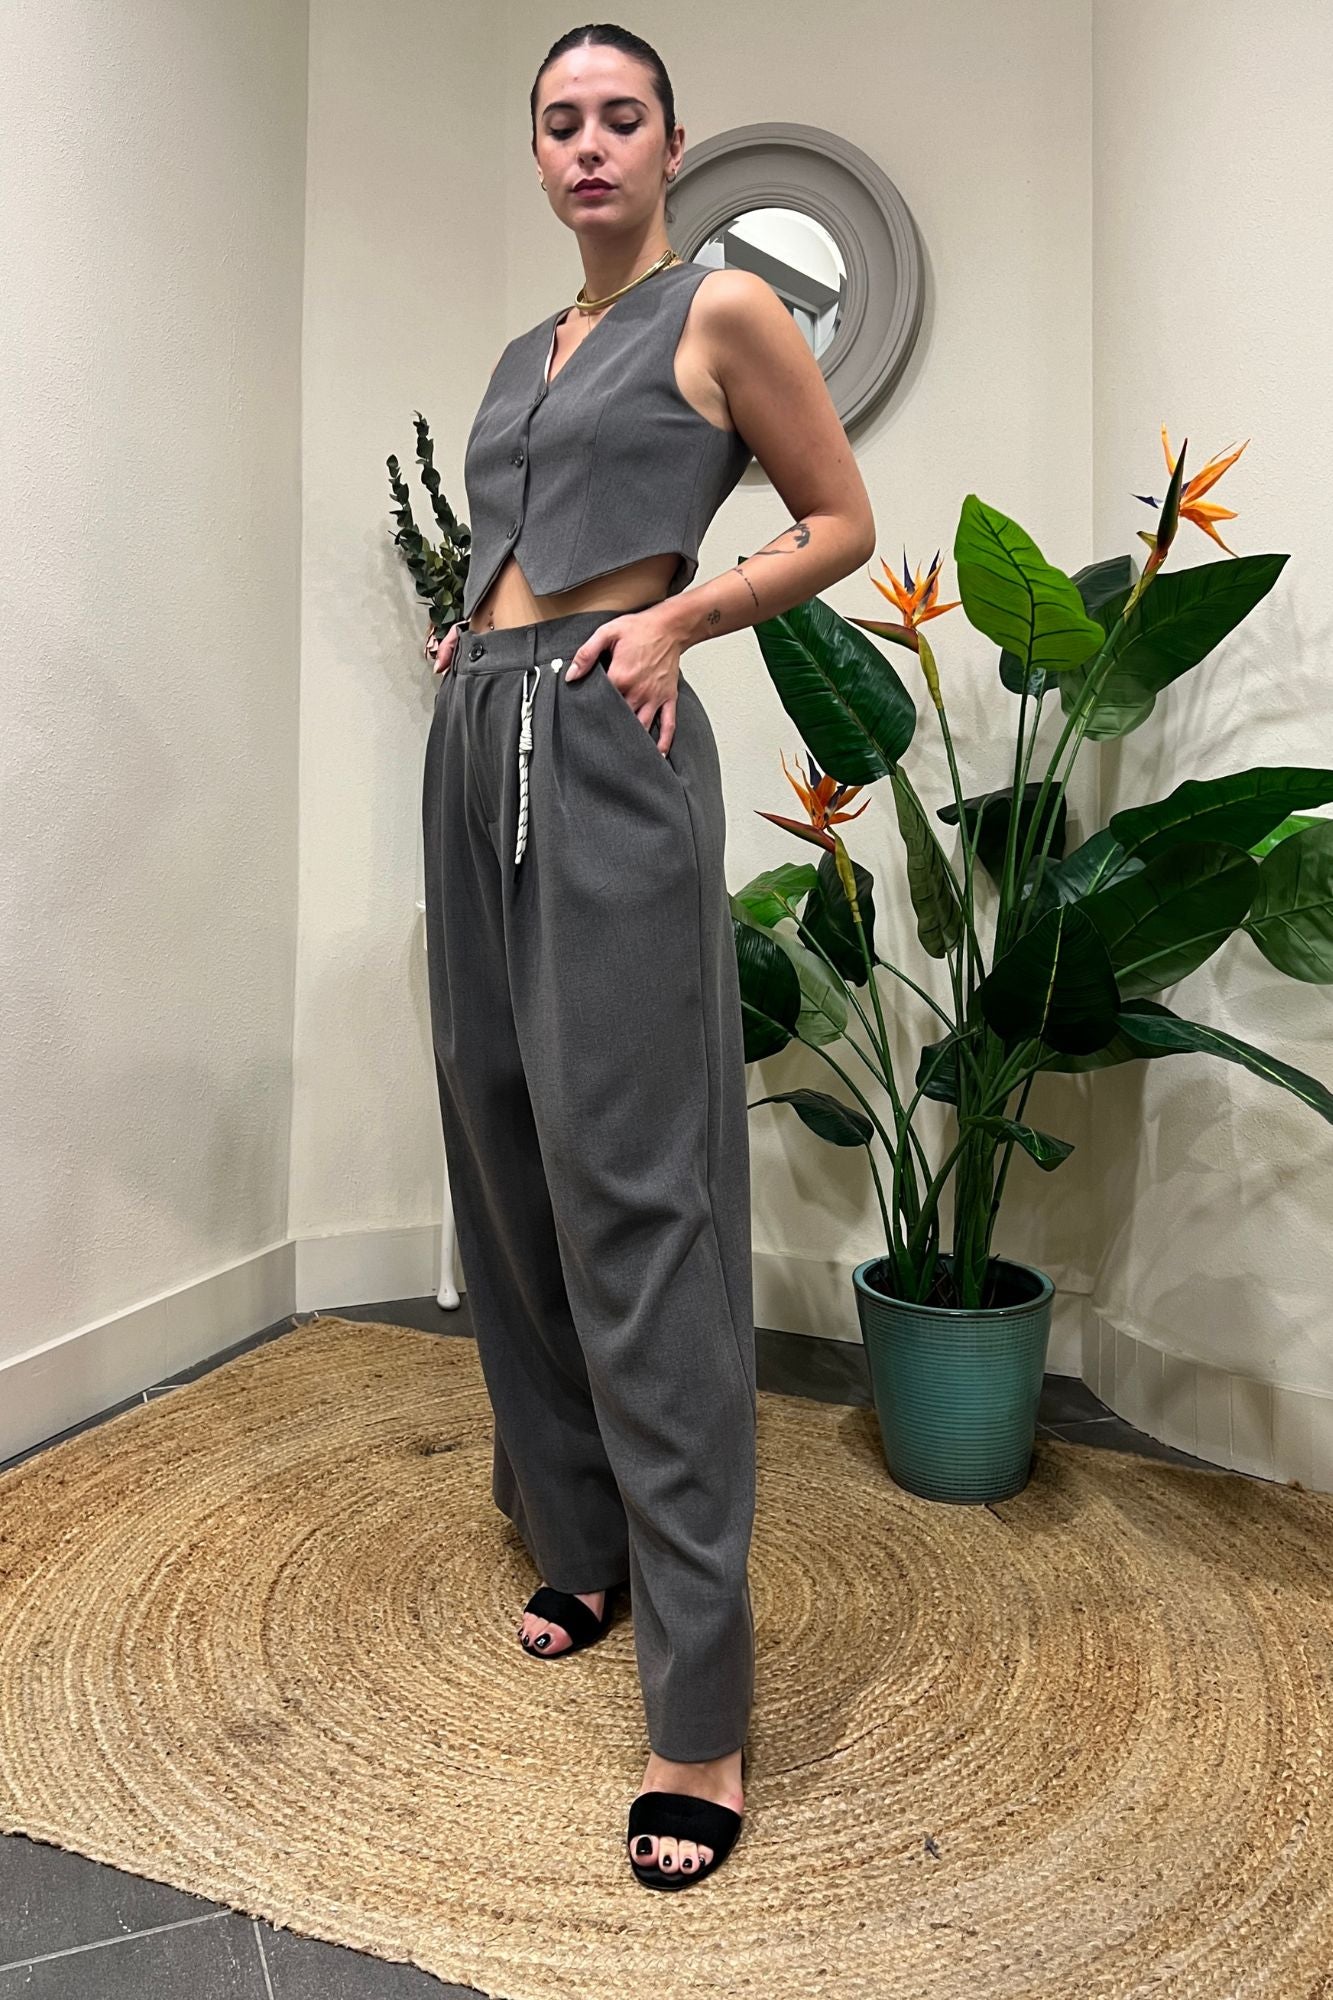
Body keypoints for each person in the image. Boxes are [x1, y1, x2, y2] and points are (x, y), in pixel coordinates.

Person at [421, 23, 875, 1890]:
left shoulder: (724, 311)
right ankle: (582, 1540)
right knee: (501, 1150)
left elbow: (842, 523)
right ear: (535, 156)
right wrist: (473, 636)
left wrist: (682, 618)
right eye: (561, 121)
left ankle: (700, 1712)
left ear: (672, 145)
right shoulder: (520, 354)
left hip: (611, 741)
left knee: (637, 1190)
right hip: (479, 730)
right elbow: (517, 543)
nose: (589, 144)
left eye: (621, 117)